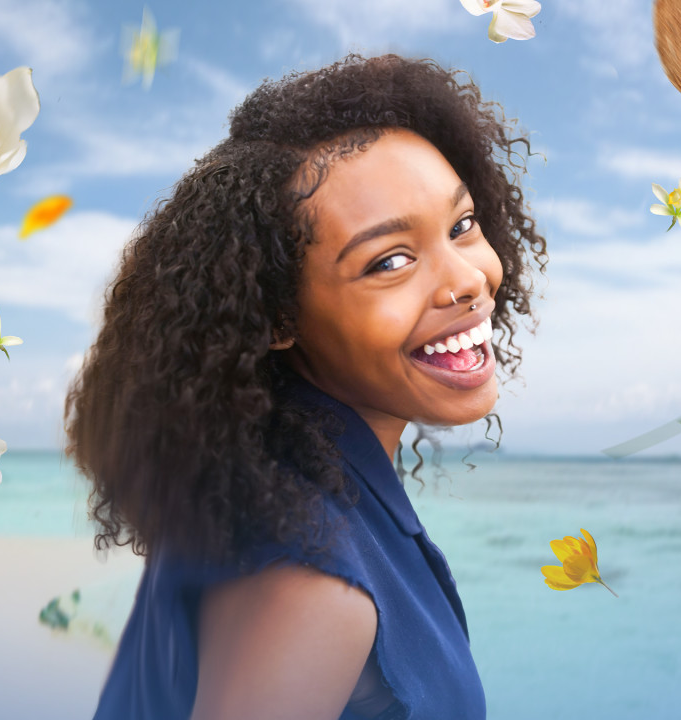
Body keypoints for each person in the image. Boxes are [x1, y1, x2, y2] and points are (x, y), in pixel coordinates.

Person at [64, 53, 547, 720]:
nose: (466, 279)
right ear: (277, 315)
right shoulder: (310, 574)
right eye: (391, 261)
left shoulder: (268, 485)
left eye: (462, 225)